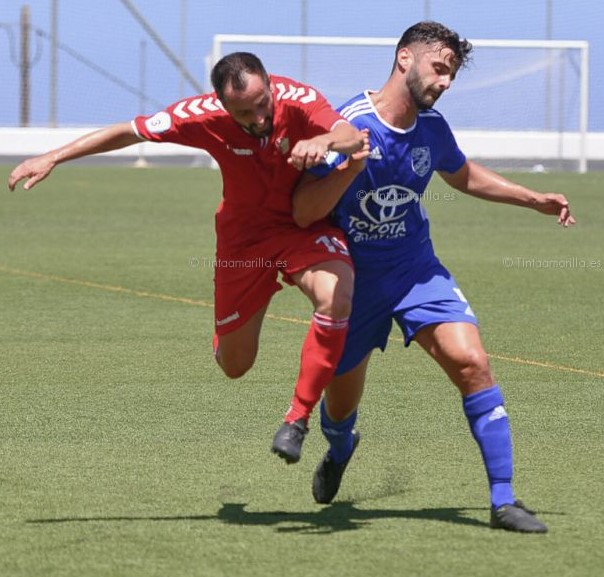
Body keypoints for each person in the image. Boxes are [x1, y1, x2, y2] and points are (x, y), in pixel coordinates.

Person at [7, 52, 367, 464]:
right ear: (221, 104)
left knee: (336, 293)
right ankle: (234, 323)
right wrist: (54, 156)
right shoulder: (200, 116)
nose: (259, 117)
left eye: (263, 103)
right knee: (235, 365)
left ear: (270, 83)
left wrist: (322, 140)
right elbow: (130, 131)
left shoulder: (299, 98)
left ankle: (297, 419)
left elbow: (351, 136)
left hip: (304, 228)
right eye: (244, 112)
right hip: (244, 243)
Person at [293, 22, 575, 533]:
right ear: (405, 59)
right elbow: (304, 211)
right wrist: (344, 169)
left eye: (451, 75)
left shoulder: (433, 128)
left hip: (417, 270)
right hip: (353, 282)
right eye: (439, 68)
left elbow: (461, 173)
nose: (445, 82)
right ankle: (340, 448)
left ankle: (504, 500)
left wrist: (533, 199)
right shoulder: (349, 125)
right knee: (340, 407)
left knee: (472, 362)